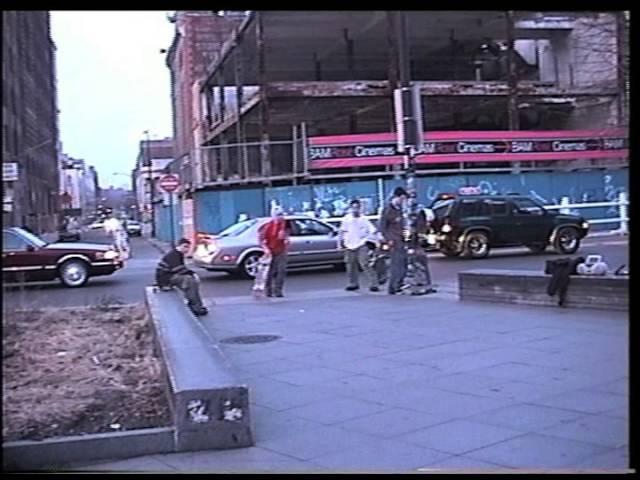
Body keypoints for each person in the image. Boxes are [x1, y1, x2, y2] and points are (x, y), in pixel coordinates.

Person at [155, 238, 208, 316]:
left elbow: (181, 269)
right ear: (179, 246)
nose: (187, 249)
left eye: (188, 247)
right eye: (185, 246)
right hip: (166, 280)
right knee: (190, 282)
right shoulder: (174, 255)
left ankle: (195, 304)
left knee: (189, 281)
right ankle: (196, 307)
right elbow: (179, 269)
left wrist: (191, 274)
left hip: (167, 277)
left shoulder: (177, 254)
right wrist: (193, 274)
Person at [338, 199, 379, 292]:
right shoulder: (346, 219)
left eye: (357, 208)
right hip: (349, 245)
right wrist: (339, 244)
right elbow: (341, 231)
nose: (355, 210)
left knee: (364, 263)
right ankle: (353, 283)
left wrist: (371, 239)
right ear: (350, 208)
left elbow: (373, 230)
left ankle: (374, 283)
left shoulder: (364, 219)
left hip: (361, 244)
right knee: (350, 265)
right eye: (353, 208)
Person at [380, 186, 409, 295]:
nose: (403, 201)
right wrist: (388, 239)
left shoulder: (399, 209)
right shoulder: (388, 209)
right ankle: (394, 287)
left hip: (400, 240)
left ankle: (399, 285)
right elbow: (382, 227)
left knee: (403, 264)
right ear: (398, 197)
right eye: (402, 199)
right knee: (397, 265)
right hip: (394, 241)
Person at [258, 206, 291, 297]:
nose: (281, 217)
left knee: (281, 270)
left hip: (281, 250)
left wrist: (286, 239)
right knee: (270, 271)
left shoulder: (285, 224)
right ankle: (268, 291)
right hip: (270, 251)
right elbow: (261, 239)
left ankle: (278, 291)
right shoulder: (268, 226)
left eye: (281, 214)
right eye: (278, 215)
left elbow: (287, 235)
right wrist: (266, 249)